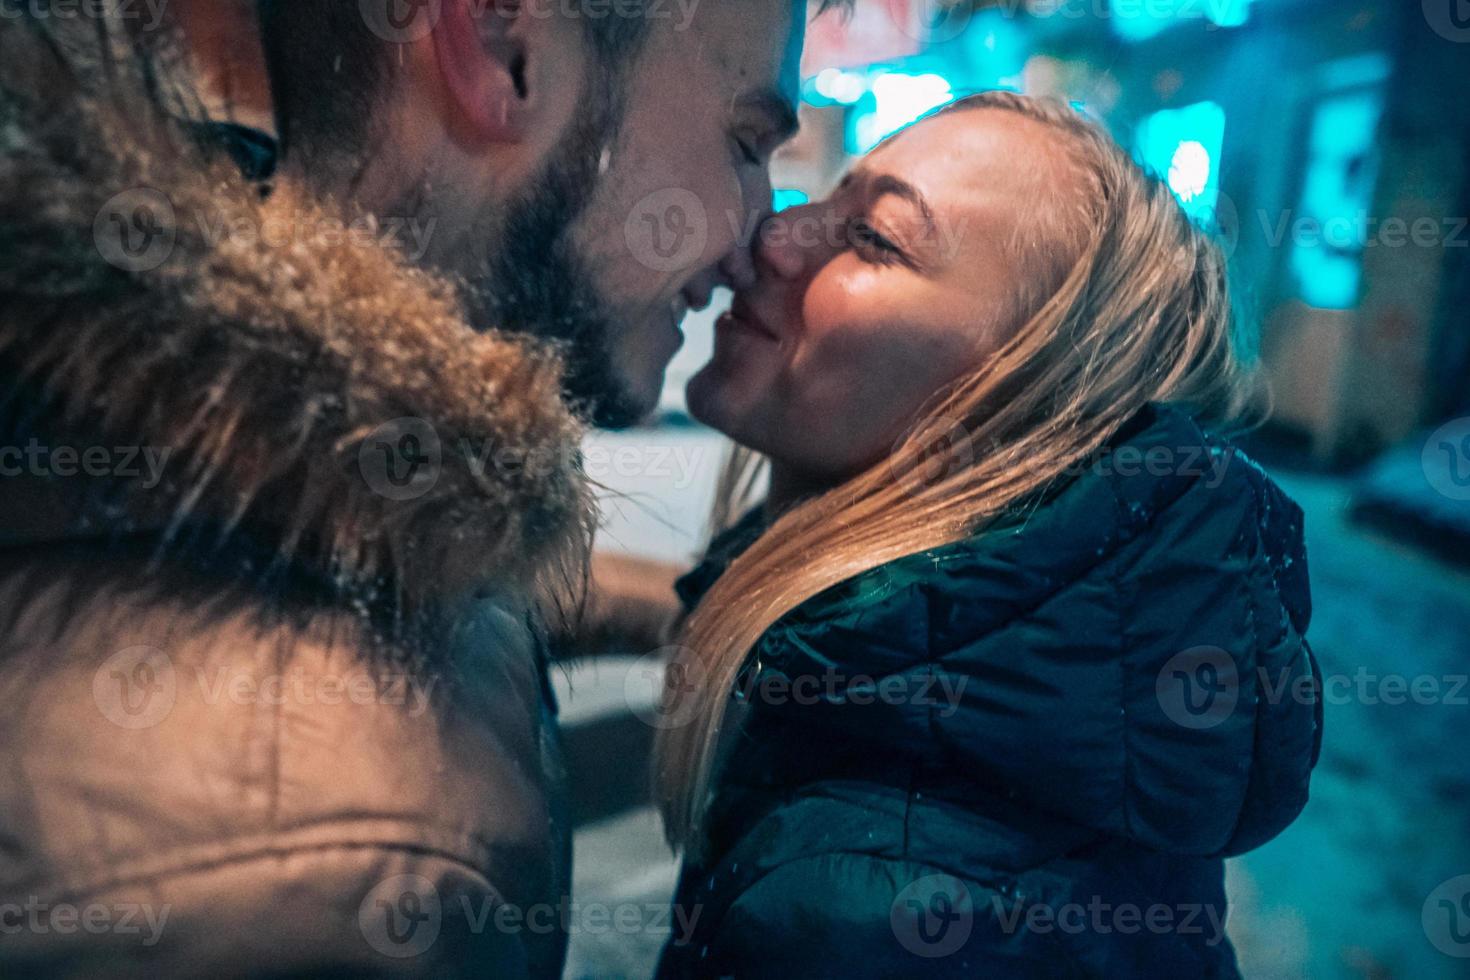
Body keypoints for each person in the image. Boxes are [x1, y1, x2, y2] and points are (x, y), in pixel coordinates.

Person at [0, 0, 829, 974]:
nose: (761, 238)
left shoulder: (194, 400)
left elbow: (390, 566)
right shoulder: (335, 877)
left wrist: (674, 605)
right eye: (743, 141)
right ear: (501, 50)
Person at [651, 92, 1323, 977]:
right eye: (831, 196)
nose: (774, 236)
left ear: (1018, 408)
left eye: (873, 238)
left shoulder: (895, 915)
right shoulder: (884, 696)